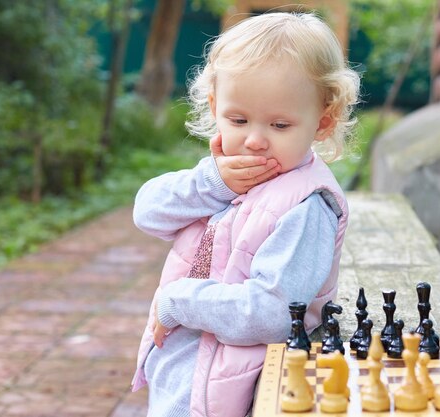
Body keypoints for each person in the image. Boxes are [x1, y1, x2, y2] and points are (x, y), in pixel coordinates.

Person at [131, 12, 359, 417]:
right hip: (186, 373)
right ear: (216, 107)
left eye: (280, 124)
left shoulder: (307, 206)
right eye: (238, 120)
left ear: (323, 121)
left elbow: (272, 313)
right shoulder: (224, 177)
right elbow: (148, 213)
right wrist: (212, 183)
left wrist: (176, 301)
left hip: (236, 393)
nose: (254, 140)